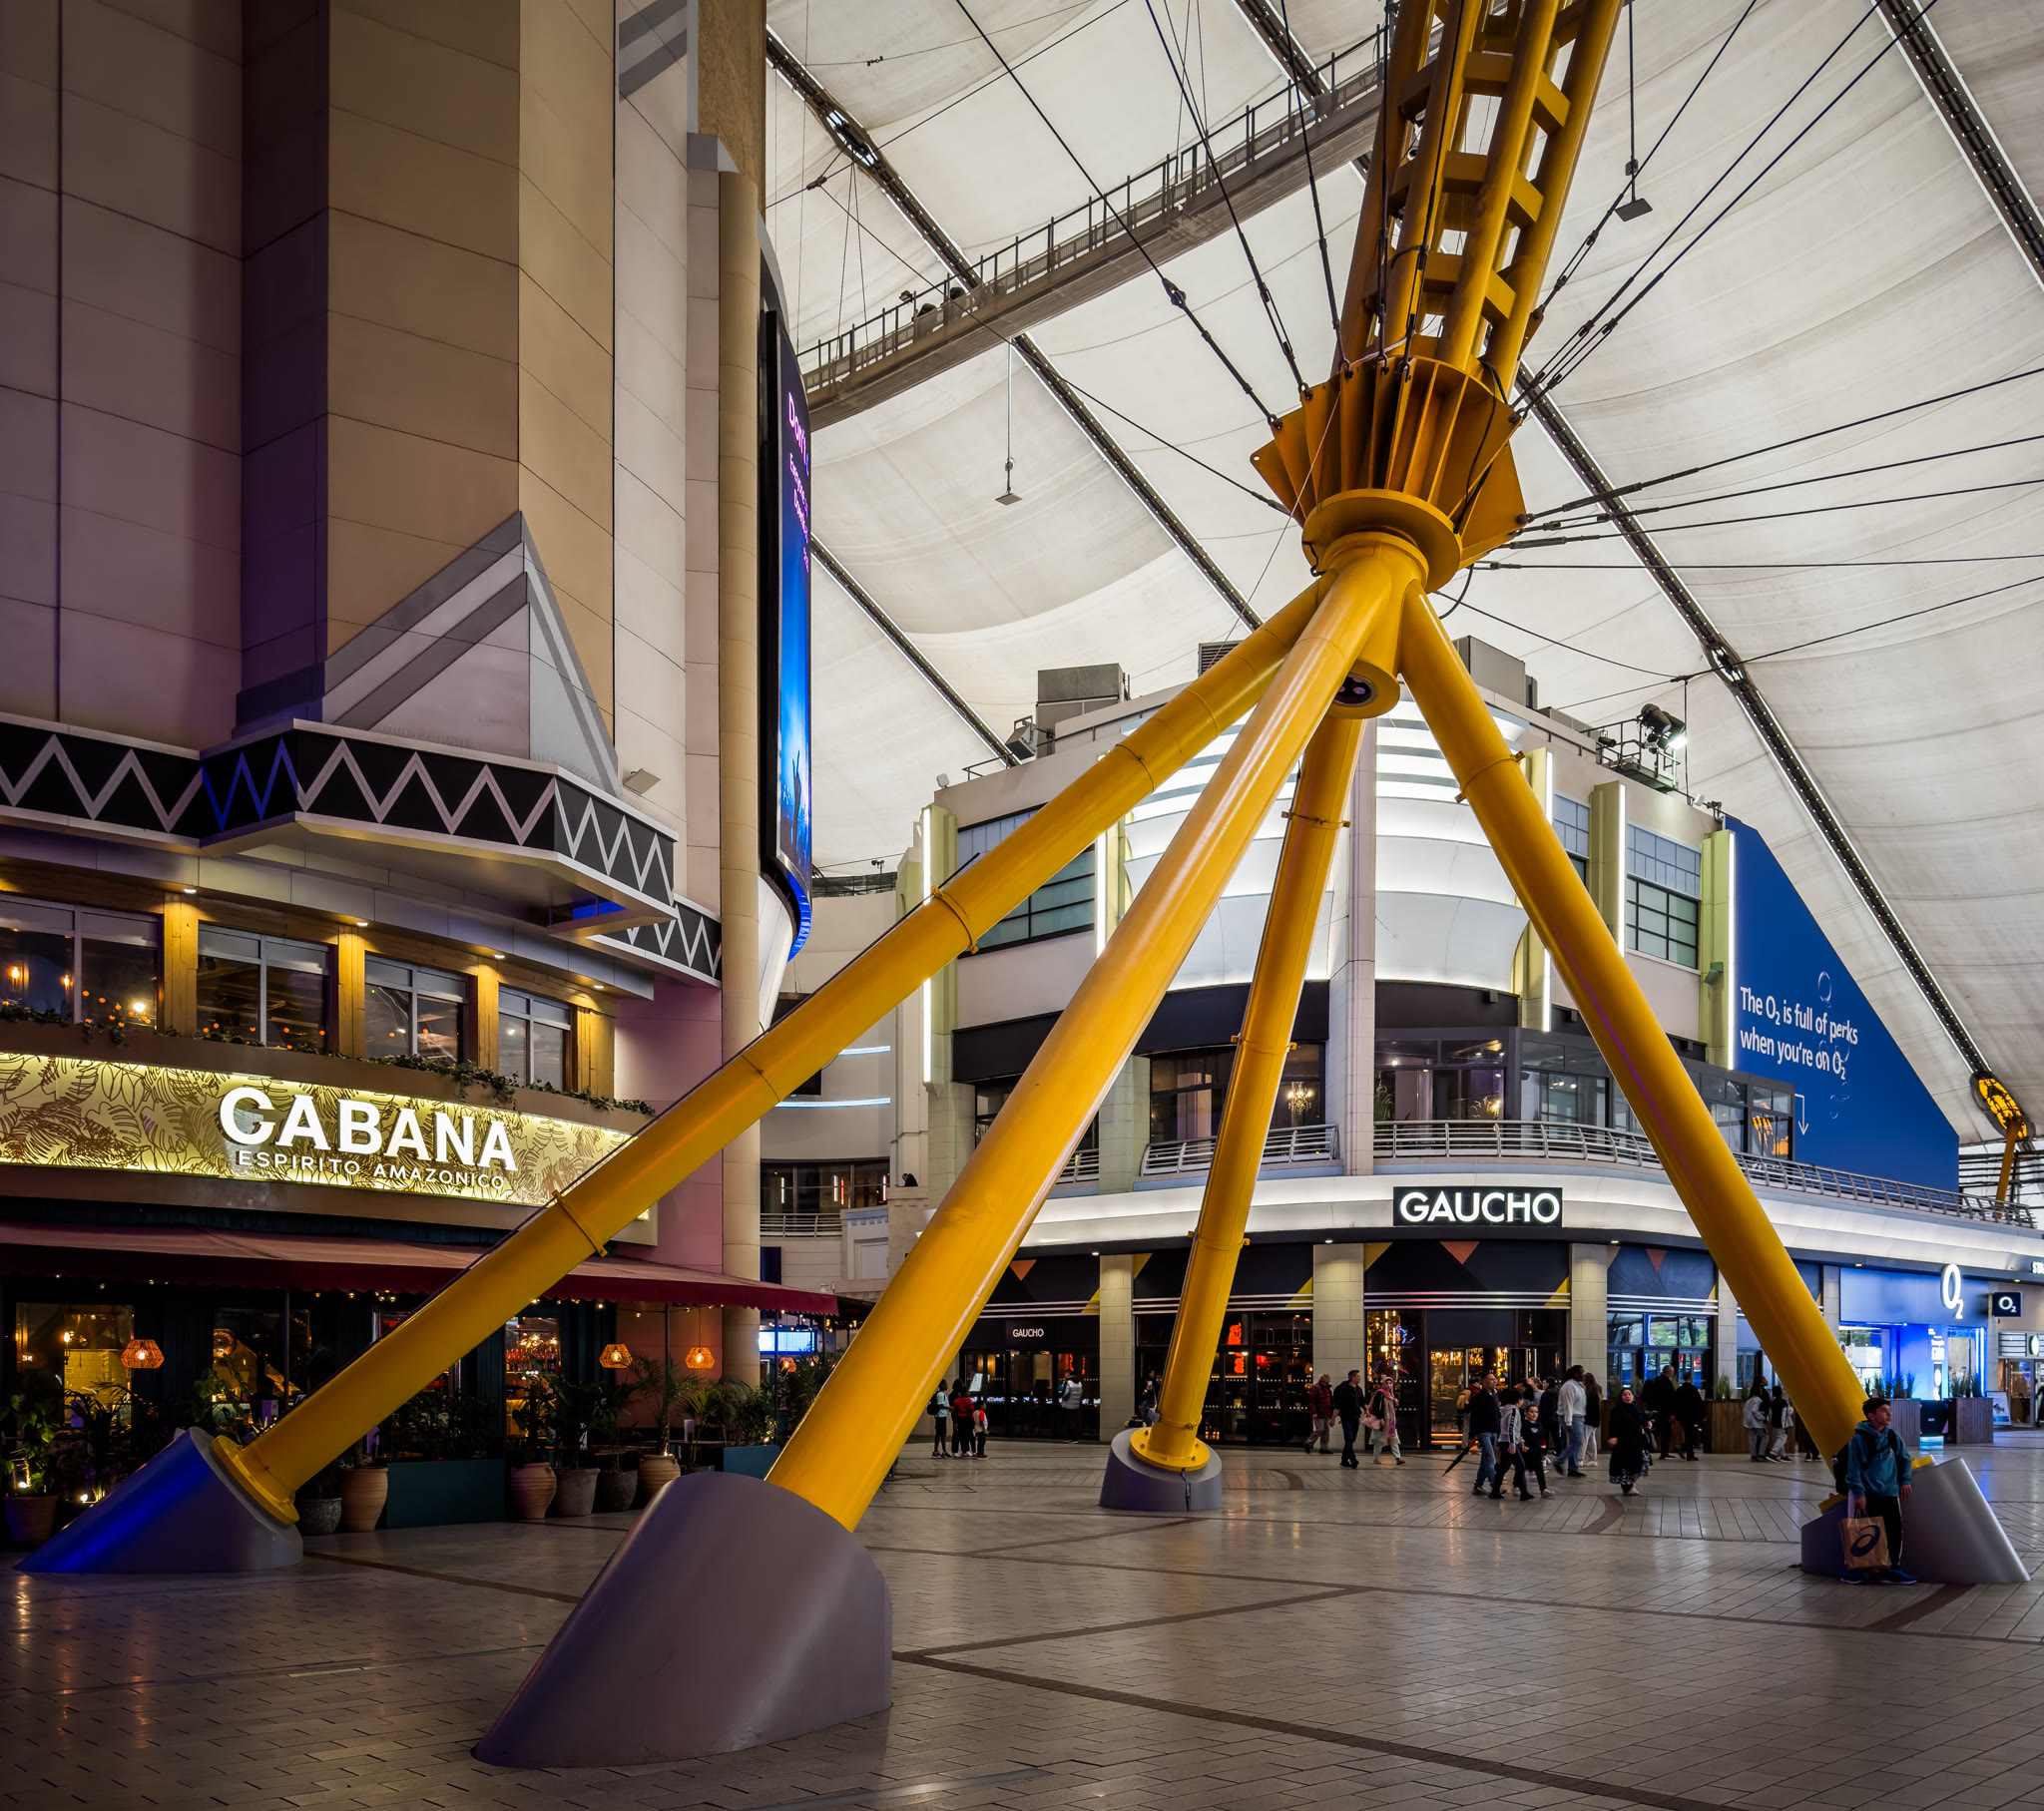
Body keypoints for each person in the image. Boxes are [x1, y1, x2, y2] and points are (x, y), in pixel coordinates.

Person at [1842, 1396, 1917, 1585]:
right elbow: (1853, 1469)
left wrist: (1905, 1481)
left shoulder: (1892, 1437)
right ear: (1871, 1416)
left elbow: (1904, 1459)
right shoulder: (1859, 1439)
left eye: (1888, 1410)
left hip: (1889, 1493)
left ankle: (1892, 1569)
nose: (1889, 1414)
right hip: (1867, 1494)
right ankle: (1854, 1569)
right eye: (1884, 1411)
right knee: (1861, 1530)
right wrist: (1859, 1494)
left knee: (1894, 1531)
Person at [1605, 1384, 1648, 1496]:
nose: (1627, 1396)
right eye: (1624, 1394)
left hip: (1635, 1442)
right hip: (1623, 1443)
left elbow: (1642, 1419)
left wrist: (1646, 1424)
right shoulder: (1617, 1410)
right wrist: (1612, 1436)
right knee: (1624, 1465)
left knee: (1634, 1464)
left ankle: (1631, 1484)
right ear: (1621, 1397)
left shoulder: (1636, 1408)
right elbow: (1613, 1425)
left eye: (1629, 1394)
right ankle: (1627, 1487)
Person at [1467, 1372, 1501, 1497]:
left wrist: (1499, 1430)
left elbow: (1497, 1414)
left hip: (1493, 1431)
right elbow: (1474, 1418)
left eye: (1495, 1379)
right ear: (1484, 1382)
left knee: (1485, 1459)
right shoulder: (1478, 1397)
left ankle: (1478, 1486)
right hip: (1483, 1432)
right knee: (1491, 1459)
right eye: (1491, 1379)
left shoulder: (1495, 1395)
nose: (1494, 1381)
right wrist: (1471, 1436)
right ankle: (1495, 1487)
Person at [1512, 1391, 1551, 1499]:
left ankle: (1543, 1489)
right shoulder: (1523, 1425)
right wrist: (1522, 1446)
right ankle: (1516, 1486)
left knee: (1540, 1471)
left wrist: (1544, 1452)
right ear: (1526, 1413)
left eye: (1536, 1412)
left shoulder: (1539, 1425)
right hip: (1525, 1452)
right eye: (1531, 1412)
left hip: (1536, 1453)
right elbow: (1520, 1437)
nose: (1534, 1414)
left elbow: (1542, 1440)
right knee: (1520, 1469)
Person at [1368, 1370, 1404, 1466]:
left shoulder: (1391, 1395)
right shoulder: (1380, 1393)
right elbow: (1376, 1407)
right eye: (1386, 1383)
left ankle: (1398, 1458)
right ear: (1383, 1384)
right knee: (1379, 1441)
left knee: (1394, 1440)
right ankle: (1376, 1459)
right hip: (1382, 1421)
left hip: (1390, 1422)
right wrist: (1380, 1418)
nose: (1388, 1385)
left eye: (1390, 1383)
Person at [1332, 1369, 1364, 1469]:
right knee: (1349, 1438)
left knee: (1352, 1439)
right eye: (1358, 1376)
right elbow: (1338, 1405)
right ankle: (1353, 1459)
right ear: (1352, 1377)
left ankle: (1344, 1460)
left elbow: (1362, 1402)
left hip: (1356, 1417)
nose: (1359, 1378)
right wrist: (1333, 1418)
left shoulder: (1358, 1389)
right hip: (1346, 1417)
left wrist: (1367, 1411)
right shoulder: (1344, 1389)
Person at [1557, 1366, 1587, 1477]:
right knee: (1577, 1441)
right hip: (1571, 1417)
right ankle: (1559, 1461)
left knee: (1575, 1442)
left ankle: (1572, 1468)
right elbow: (1568, 1405)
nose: (1584, 1374)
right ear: (1576, 1374)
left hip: (1578, 1417)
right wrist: (1568, 1422)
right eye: (1582, 1372)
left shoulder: (1578, 1385)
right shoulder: (1569, 1386)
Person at [1645, 1364, 1678, 1459]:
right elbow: (1669, 1399)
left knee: (1656, 1431)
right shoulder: (1667, 1383)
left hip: (1653, 1411)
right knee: (1666, 1432)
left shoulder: (1655, 1380)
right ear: (1670, 1372)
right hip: (1664, 1412)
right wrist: (1671, 1413)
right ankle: (1664, 1452)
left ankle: (1651, 1449)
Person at [1673, 1371, 1705, 1461]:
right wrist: (1703, 1415)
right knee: (1691, 1434)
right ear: (1691, 1378)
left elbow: (1674, 1403)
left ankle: (1687, 1451)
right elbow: (1698, 1403)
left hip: (1682, 1416)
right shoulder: (1693, 1389)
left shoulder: (1679, 1390)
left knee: (1688, 1433)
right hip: (1692, 1415)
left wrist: (1675, 1414)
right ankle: (1686, 1450)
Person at [1305, 1373, 1334, 1455]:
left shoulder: (1328, 1388)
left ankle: (1324, 1447)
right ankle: (1309, 1443)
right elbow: (1312, 1401)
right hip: (1319, 1412)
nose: (1328, 1380)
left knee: (1326, 1430)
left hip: (1326, 1412)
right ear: (1322, 1379)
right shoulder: (1316, 1388)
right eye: (1326, 1378)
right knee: (1320, 1429)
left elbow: (1330, 1400)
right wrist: (1313, 1412)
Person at [1743, 1384, 1772, 1462]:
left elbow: (1744, 1410)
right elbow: (1754, 1411)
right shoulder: (1758, 1400)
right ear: (1758, 1392)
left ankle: (1753, 1455)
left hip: (1749, 1422)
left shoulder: (1749, 1400)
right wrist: (1763, 1418)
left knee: (1752, 1439)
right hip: (1756, 1422)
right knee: (1765, 1437)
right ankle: (1761, 1454)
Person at [1582, 1372, 1603, 1467]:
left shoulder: (1589, 1392)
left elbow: (1587, 1407)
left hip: (1588, 1418)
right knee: (1591, 1438)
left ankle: (1580, 1458)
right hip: (1595, 1418)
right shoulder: (1597, 1389)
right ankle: (1593, 1458)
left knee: (1584, 1439)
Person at [1058, 1370, 1084, 1441]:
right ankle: (1075, 1437)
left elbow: (1065, 1393)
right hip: (1076, 1405)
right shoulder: (1079, 1383)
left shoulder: (1068, 1382)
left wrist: (1060, 1394)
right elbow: (1081, 1393)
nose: (1065, 1375)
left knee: (1068, 1422)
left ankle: (1069, 1437)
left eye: (1065, 1374)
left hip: (1067, 1405)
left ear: (1068, 1374)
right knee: (1074, 1421)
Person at [951, 1384, 975, 1457]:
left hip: (959, 1418)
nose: (969, 1393)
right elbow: (971, 1411)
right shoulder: (968, 1401)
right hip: (968, 1418)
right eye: (968, 1392)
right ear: (965, 1393)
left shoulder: (956, 1401)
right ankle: (967, 1451)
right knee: (968, 1435)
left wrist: (955, 1422)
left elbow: (954, 1411)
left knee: (960, 1435)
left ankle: (959, 1451)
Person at [1773, 1389, 1795, 1462]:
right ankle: (1773, 1452)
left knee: (1779, 1438)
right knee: (1782, 1438)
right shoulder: (1784, 1402)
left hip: (1774, 1423)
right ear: (1781, 1393)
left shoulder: (1773, 1402)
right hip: (1781, 1423)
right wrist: (1792, 1408)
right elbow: (1788, 1412)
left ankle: (1783, 1455)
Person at [930, 1381, 951, 1459]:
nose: (947, 1386)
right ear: (942, 1385)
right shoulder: (941, 1395)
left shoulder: (941, 1394)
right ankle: (942, 1451)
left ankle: (937, 1451)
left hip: (941, 1416)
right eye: (945, 1384)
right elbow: (940, 1405)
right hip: (940, 1416)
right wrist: (949, 1408)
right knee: (942, 1434)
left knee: (939, 1434)